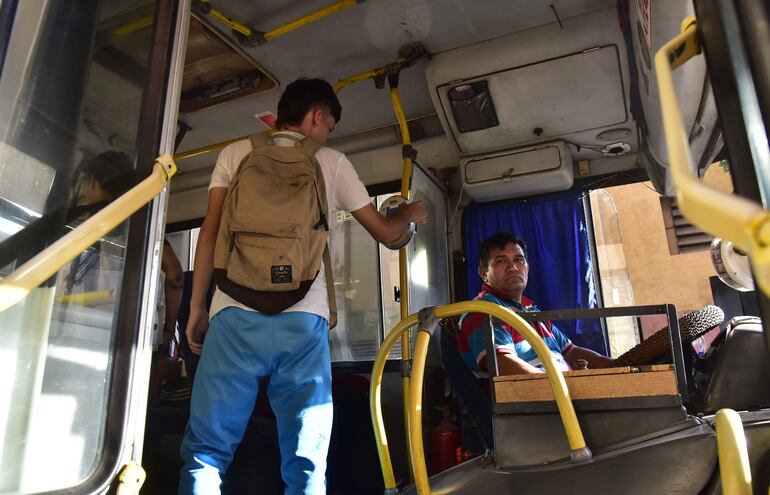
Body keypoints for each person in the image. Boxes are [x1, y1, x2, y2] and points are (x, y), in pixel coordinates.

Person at [179, 78, 428, 494]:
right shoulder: (332, 162)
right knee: (306, 459)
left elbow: (209, 232)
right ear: (317, 116)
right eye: (328, 125)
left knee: (206, 451)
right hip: (302, 320)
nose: (328, 134)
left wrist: (197, 310)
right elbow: (385, 233)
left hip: (233, 312)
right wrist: (410, 213)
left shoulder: (235, 153)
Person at [458, 232, 612, 377]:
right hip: (536, 400)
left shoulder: (532, 311)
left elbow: (571, 352)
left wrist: (616, 366)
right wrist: (565, 386)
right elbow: (503, 366)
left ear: (527, 267)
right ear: (484, 273)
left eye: (519, 260)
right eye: (501, 261)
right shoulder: (483, 310)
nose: (513, 268)